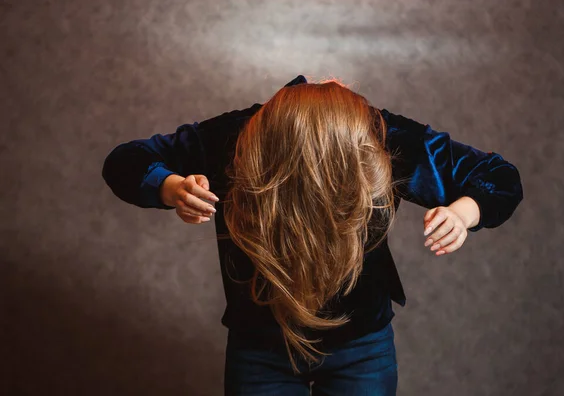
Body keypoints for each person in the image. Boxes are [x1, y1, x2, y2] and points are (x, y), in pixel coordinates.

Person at [102, 74, 523, 395]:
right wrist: (172, 187)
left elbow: (498, 177)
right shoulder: (233, 137)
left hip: (362, 345)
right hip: (261, 344)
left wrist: (465, 212)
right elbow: (126, 161)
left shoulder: (385, 135)